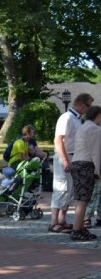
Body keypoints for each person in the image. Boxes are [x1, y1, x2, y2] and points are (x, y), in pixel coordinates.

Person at [50, 92, 94, 233]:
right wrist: (64, 159)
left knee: (69, 190)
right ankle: (53, 222)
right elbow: (58, 140)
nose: (88, 109)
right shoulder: (67, 118)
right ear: (80, 103)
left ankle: (62, 220)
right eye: (88, 105)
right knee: (61, 189)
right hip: (65, 155)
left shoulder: (77, 119)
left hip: (73, 156)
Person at [69, 105, 101, 241]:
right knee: (83, 201)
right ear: (98, 115)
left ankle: (80, 227)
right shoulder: (95, 129)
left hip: (76, 164)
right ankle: (76, 230)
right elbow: (96, 152)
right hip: (86, 165)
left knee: (80, 199)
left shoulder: (83, 127)